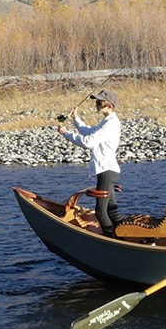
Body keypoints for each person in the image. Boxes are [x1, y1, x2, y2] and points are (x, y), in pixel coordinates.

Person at [58, 88, 122, 235]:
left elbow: (88, 142)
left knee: (100, 211)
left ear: (110, 106)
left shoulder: (110, 124)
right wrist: (75, 118)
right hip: (107, 170)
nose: (97, 105)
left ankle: (110, 239)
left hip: (106, 170)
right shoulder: (106, 122)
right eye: (97, 103)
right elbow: (88, 132)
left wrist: (66, 134)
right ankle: (123, 235)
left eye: (100, 103)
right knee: (112, 210)